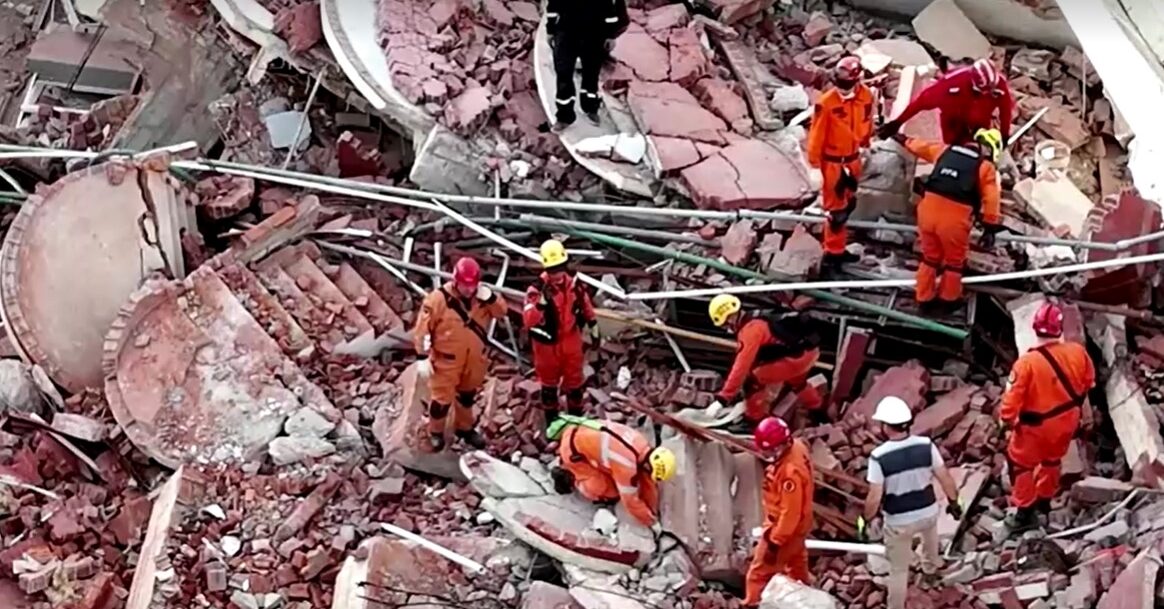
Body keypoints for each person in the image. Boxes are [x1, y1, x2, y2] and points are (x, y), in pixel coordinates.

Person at [999, 300, 1095, 530]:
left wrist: (1005, 424)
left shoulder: (1026, 364)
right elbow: (1087, 386)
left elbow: (1011, 403)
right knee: (1052, 461)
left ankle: (1024, 513)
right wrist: (1084, 416)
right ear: (1059, 329)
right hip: (1066, 423)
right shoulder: (1078, 353)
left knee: (1020, 465)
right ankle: (1044, 501)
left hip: (1035, 428)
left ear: (1034, 327)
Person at [860, 397, 962, 609]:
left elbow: (874, 496)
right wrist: (954, 503)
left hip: (899, 522)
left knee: (898, 569)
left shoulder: (879, 457)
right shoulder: (926, 446)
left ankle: (895, 606)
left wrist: (866, 520)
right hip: (928, 512)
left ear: (886, 426)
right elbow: (944, 477)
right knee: (930, 540)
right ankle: (931, 570)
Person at [894, 128, 1004, 311]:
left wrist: (903, 138)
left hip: (927, 210)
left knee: (929, 257)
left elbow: (921, 147)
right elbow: (991, 198)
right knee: (954, 262)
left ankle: (923, 298)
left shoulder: (945, 151)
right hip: (954, 218)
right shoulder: (985, 167)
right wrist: (990, 227)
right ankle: (948, 300)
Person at [413, 256, 509, 451]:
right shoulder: (437, 300)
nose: (469, 290)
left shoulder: (482, 299)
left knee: (467, 396)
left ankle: (464, 428)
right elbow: (423, 329)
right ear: (456, 281)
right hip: (446, 361)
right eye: (465, 285)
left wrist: (490, 298)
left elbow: (501, 312)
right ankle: (436, 432)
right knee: (441, 402)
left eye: (472, 285)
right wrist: (422, 356)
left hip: (473, 360)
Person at [706, 295, 822, 433]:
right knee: (798, 383)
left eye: (725, 325)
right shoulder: (759, 315)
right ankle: (818, 411)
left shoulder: (750, 331)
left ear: (730, 318)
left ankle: (752, 422)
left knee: (752, 381)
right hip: (807, 352)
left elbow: (741, 366)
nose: (727, 329)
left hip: (794, 359)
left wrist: (723, 398)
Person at [547, 414, 676, 532]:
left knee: (622, 477)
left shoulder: (641, 443)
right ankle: (570, 476)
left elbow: (646, 479)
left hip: (580, 431)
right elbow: (630, 502)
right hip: (572, 452)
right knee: (610, 491)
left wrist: (652, 508)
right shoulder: (626, 465)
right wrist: (651, 522)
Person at [805, 56, 875, 267]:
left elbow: (867, 120)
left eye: (846, 85)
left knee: (849, 203)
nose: (842, 89)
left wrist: (866, 145)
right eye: (840, 84)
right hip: (833, 163)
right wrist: (815, 166)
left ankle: (837, 247)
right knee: (836, 213)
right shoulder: (826, 103)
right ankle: (832, 254)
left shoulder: (866, 97)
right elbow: (816, 135)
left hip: (853, 159)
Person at [523, 240, 599, 425]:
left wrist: (593, 325)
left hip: (571, 341)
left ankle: (576, 422)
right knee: (549, 388)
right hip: (547, 346)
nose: (557, 274)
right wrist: (540, 306)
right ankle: (553, 424)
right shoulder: (536, 290)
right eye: (552, 270)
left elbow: (585, 304)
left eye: (559, 268)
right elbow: (528, 321)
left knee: (575, 386)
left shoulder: (574, 284)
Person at [743, 417, 814, 607]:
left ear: (778, 447)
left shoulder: (789, 473)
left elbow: (790, 513)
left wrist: (774, 542)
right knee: (797, 564)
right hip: (799, 528)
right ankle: (806, 598)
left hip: (783, 530)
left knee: (758, 574)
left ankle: (753, 604)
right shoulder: (798, 447)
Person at [878, 58, 1014, 146]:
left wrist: (1004, 134)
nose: (989, 93)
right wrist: (897, 123)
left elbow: (1005, 110)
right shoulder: (951, 84)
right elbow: (921, 103)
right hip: (953, 124)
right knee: (952, 152)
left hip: (979, 126)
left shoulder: (999, 85)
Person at [546, 0, 629, 130]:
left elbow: (610, 7)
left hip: (594, 31)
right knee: (563, 73)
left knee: (591, 72)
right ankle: (564, 116)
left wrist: (611, 35)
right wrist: (550, 30)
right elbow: (553, 5)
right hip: (566, 30)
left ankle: (591, 108)